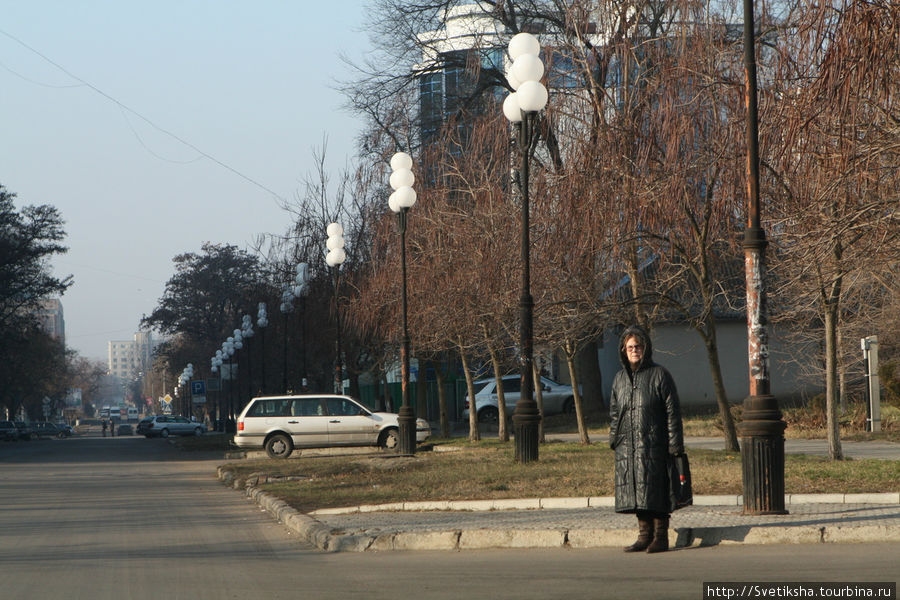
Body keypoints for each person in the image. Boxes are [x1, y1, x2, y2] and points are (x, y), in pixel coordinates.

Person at [608, 325, 685, 553]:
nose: (634, 350)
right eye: (630, 347)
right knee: (636, 490)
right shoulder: (619, 379)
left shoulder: (660, 375)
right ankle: (644, 535)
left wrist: (675, 444)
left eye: (638, 346)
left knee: (657, 490)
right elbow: (614, 412)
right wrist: (615, 438)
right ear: (623, 350)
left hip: (655, 445)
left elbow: (673, 411)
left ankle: (660, 537)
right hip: (627, 446)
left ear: (645, 348)